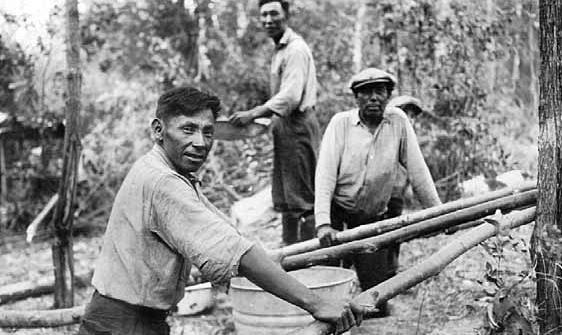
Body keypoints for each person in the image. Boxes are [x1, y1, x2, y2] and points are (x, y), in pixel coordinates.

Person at [77, 87, 366, 335]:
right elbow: (234, 251)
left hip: (129, 319)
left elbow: (223, 228)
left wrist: (266, 257)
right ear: (158, 130)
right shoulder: (162, 181)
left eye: (207, 132)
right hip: (122, 324)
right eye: (187, 129)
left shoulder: (167, 172)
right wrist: (316, 303)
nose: (200, 143)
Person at [314, 68, 442, 316]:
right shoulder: (340, 124)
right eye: (366, 92)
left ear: (388, 95)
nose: (373, 98)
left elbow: (418, 172)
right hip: (337, 213)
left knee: (377, 303)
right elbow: (325, 176)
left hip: (372, 217)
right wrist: (323, 224)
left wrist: (438, 213)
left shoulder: (398, 122)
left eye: (379, 92)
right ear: (356, 98)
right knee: (326, 288)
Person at [229, 0, 320, 245]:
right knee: (285, 197)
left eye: (273, 14)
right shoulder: (279, 50)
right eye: (264, 15)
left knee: (303, 198)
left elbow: (290, 96)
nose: (268, 20)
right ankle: (289, 255)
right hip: (284, 126)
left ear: (286, 15)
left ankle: (310, 258)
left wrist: (253, 113)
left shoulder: (295, 49)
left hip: (298, 125)